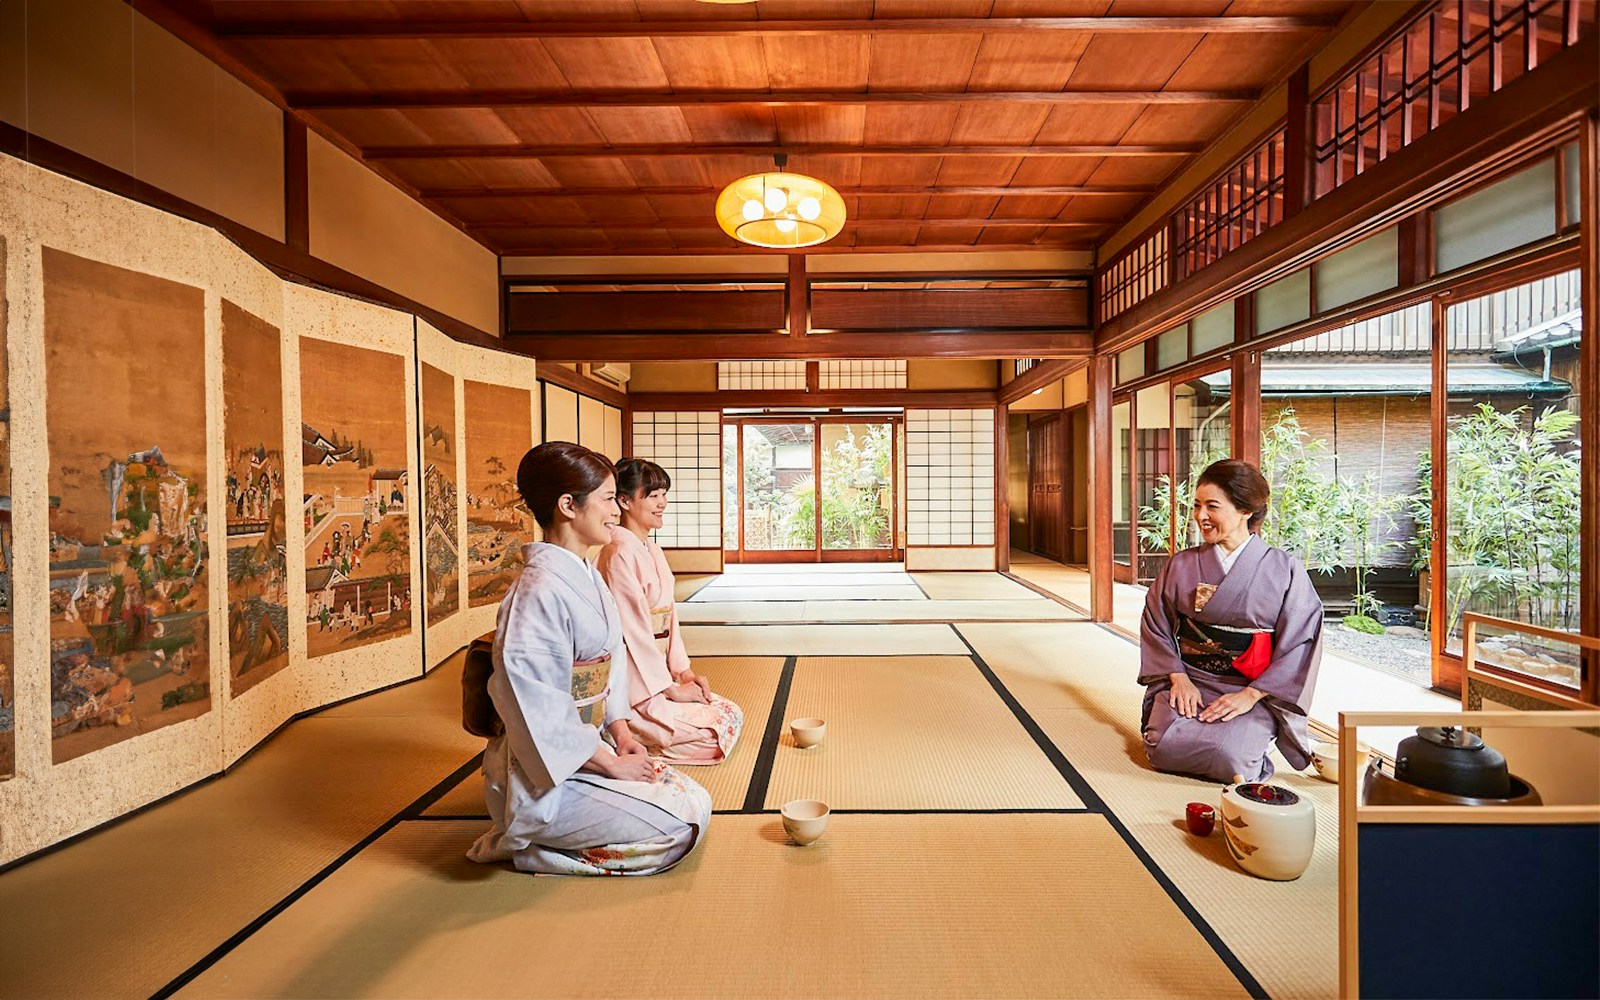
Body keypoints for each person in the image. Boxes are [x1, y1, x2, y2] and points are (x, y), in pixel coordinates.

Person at [467, 442, 711, 876]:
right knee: (680, 826)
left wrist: (620, 731)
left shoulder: (584, 574)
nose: (616, 512)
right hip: (545, 776)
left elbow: (612, 668)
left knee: (695, 800)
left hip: (591, 749)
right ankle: (529, 848)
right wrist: (612, 764)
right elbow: (537, 711)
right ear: (567, 506)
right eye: (606, 499)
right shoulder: (537, 593)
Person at [1139, 459, 1322, 783]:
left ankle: (1252, 730)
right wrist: (1178, 677)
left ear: (1245, 510)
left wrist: (1251, 696)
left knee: (1233, 759)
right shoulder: (1181, 565)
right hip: (1191, 681)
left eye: (1212, 506)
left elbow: (1301, 640)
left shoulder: (1284, 570)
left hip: (1250, 688)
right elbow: (1156, 622)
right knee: (1163, 747)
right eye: (1196, 506)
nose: (1200, 516)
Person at [597, 458, 743, 764]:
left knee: (729, 713)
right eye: (652, 496)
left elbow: (669, 620)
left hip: (661, 672)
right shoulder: (618, 552)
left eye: (664, 494)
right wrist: (668, 689)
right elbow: (633, 635)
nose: (663, 503)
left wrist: (683, 673)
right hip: (636, 682)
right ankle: (622, 731)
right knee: (708, 738)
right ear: (623, 501)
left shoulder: (651, 549)